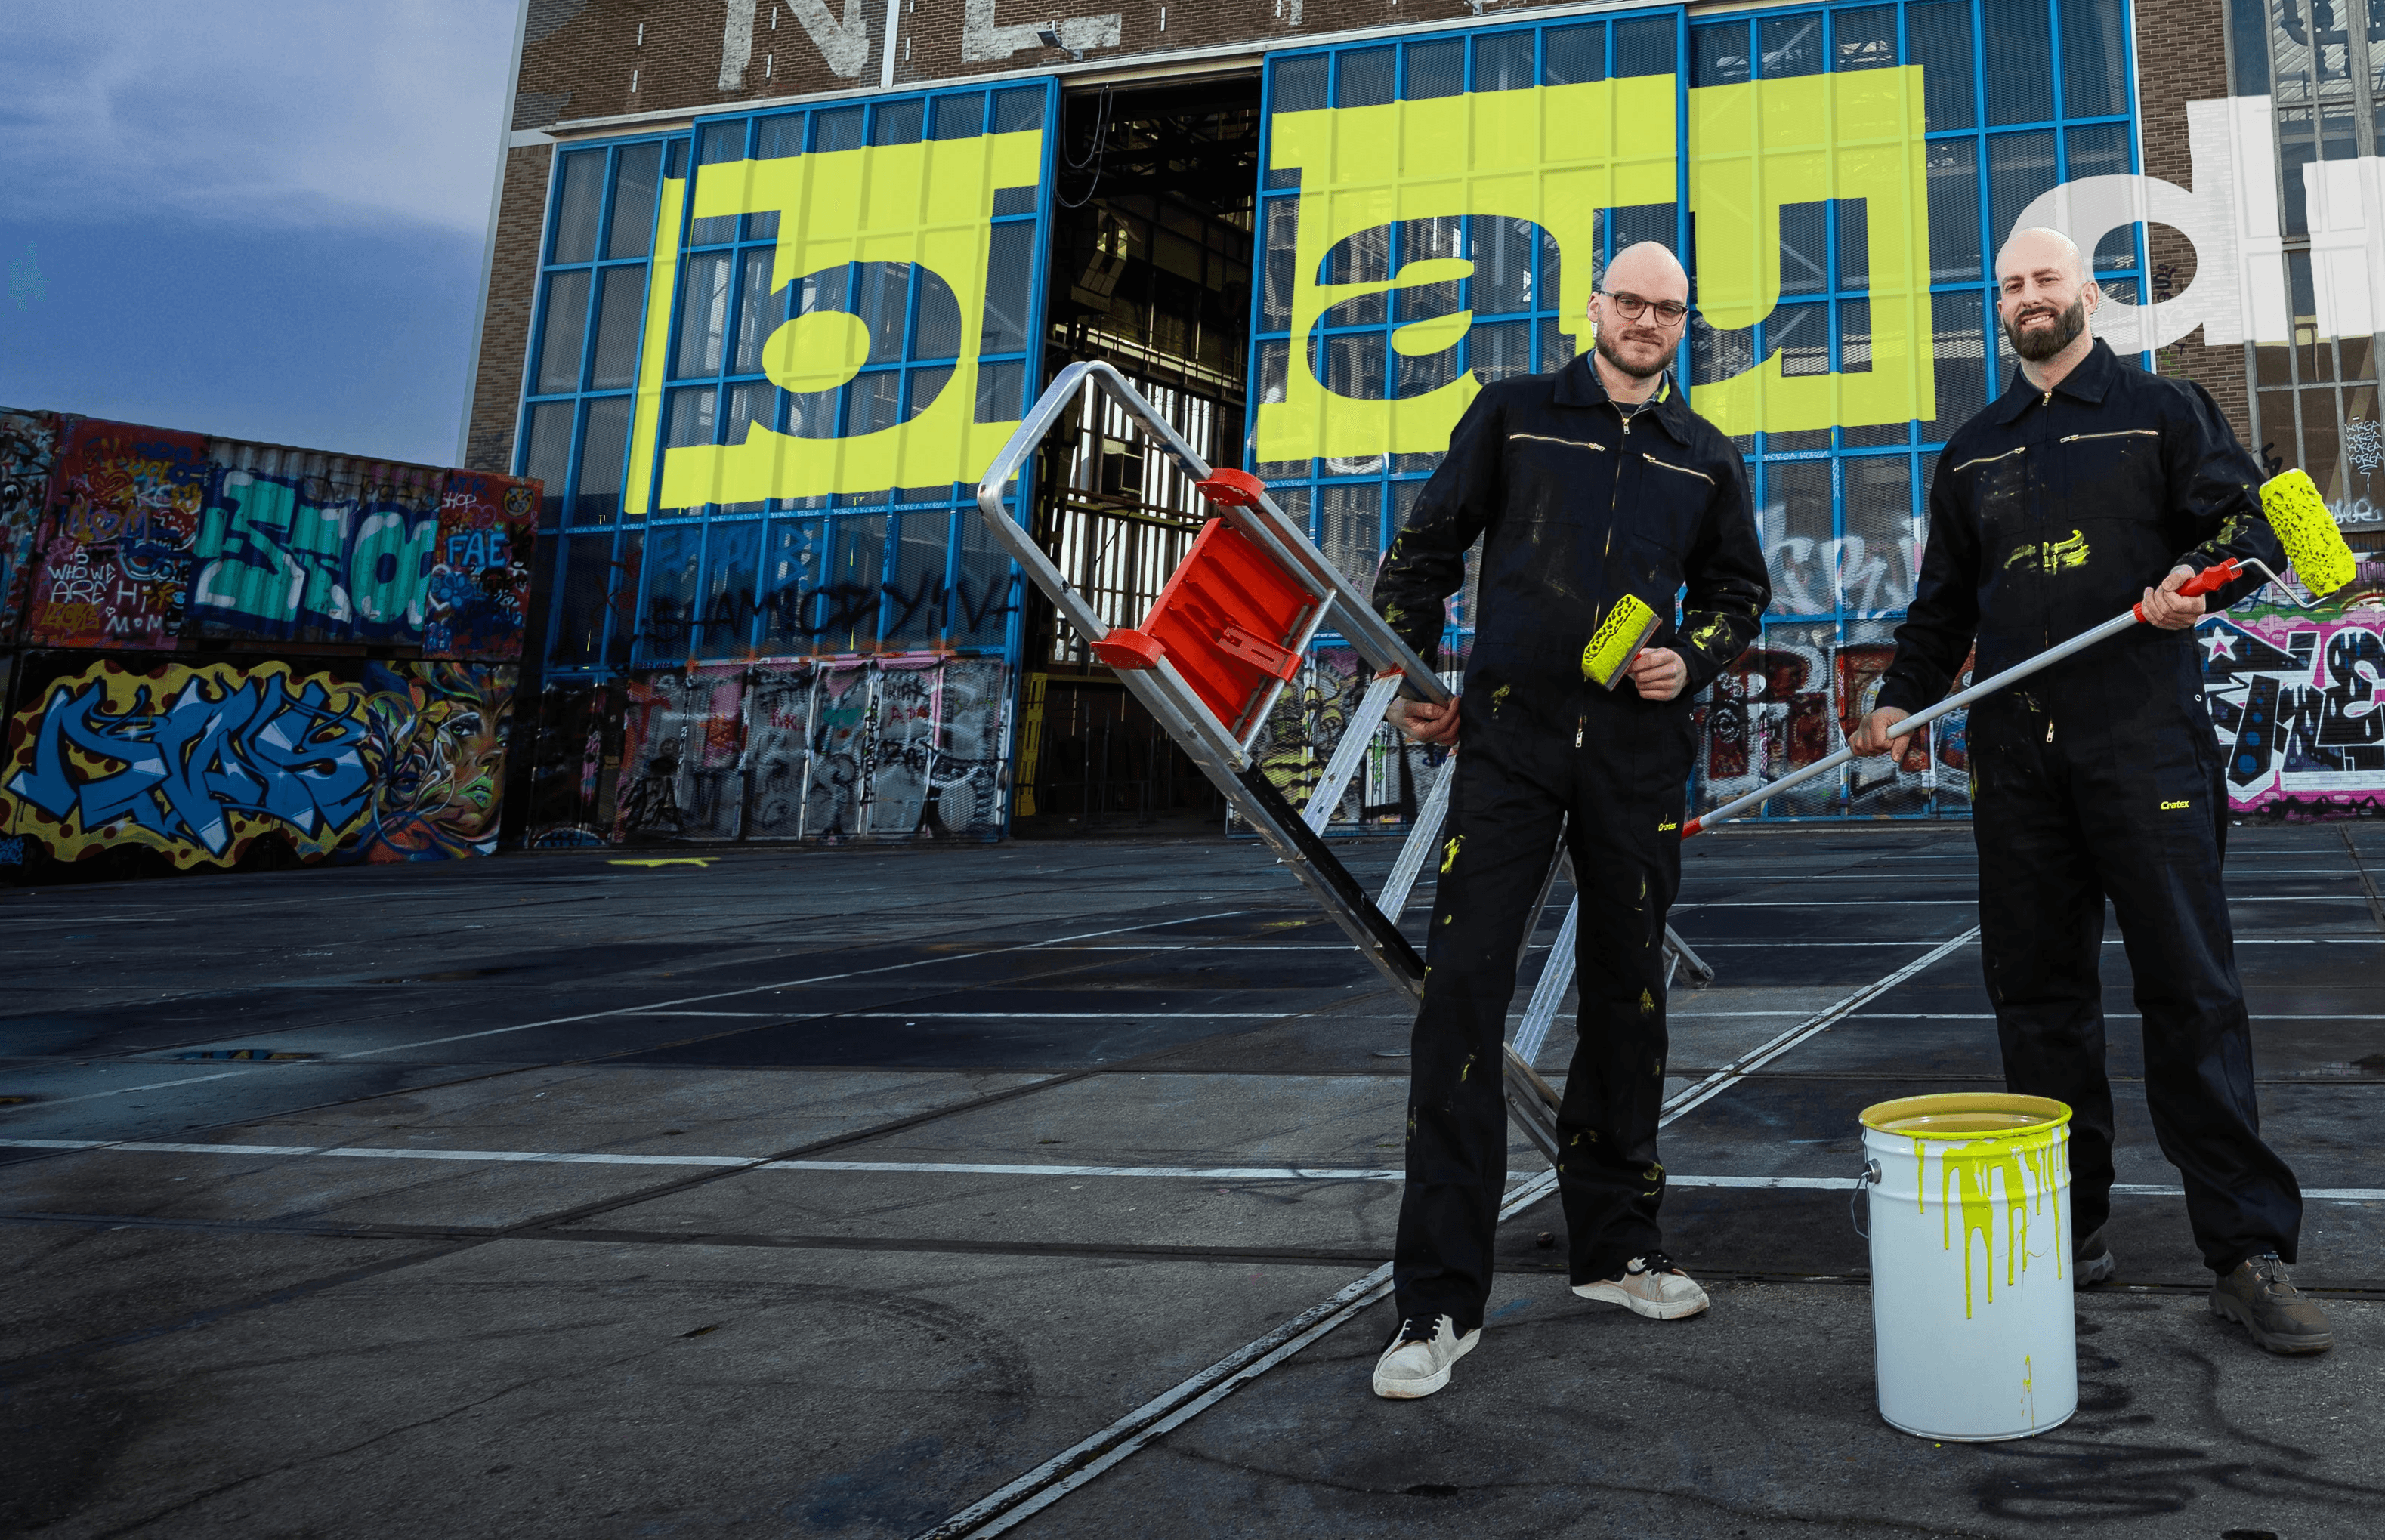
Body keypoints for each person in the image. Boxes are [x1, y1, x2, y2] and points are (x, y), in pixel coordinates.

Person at [1849, 227, 2331, 1356]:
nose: (2029, 297)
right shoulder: (1973, 450)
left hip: (2145, 748)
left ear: (2090, 294)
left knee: (2191, 991)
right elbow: (1942, 607)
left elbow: (2247, 525)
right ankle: (2063, 1228)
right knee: (2037, 998)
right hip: (2016, 762)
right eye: (2012, 284)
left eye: (2047, 279)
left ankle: (2247, 1251)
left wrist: (2194, 582)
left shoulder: (2164, 411)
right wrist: (1900, 700)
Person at [1365, 241, 1769, 1399]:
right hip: (1509, 744)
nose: (1646, 320)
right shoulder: (1516, 416)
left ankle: (1617, 1248)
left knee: (1628, 997)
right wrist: (1414, 676)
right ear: (1593, 306)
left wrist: (1689, 658)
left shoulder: (1705, 453)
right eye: (1629, 301)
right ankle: (1438, 1299)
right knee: (1461, 1000)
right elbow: (1423, 553)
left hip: (1636, 758)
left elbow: (1739, 593)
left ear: (1684, 323)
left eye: (1667, 308)